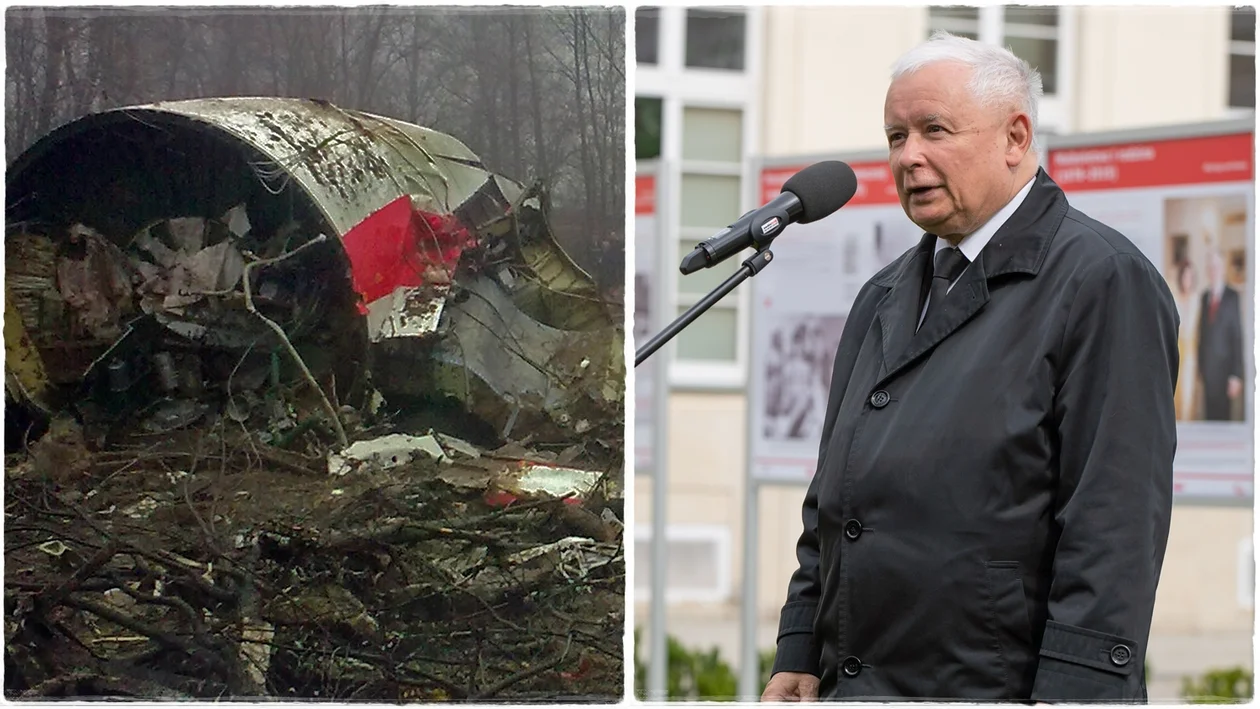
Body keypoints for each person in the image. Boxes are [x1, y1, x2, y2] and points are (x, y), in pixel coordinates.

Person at [762, 32, 1178, 703]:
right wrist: (800, 644)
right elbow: (835, 501)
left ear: (1016, 137)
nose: (909, 156)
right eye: (896, 136)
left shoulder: (1100, 281)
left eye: (934, 130)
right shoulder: (883, 296)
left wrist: (1080, 692)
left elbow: (1113, 521)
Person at [1196, 250, 1244, 421]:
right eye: (1210, 267)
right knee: (1209, 420)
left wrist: (1236, 375)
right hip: (1208, 372)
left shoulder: (1233, 297)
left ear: (1223, 269)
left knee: (1223, 421)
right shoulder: (1204, 297)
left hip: (1226, 373)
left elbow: (1237, 337)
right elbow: (1201, 334)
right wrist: (1200, 368)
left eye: (1216, 266)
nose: (1213, 270)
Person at [1172, 261, 1200, 420]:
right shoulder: (1175, 298)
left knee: (1190, 394)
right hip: (1177, 350)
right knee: (1176, 392)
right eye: (1185, 276)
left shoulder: (1197, 300)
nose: (1187, 280)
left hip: (1191, 354)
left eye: (1190, 276)